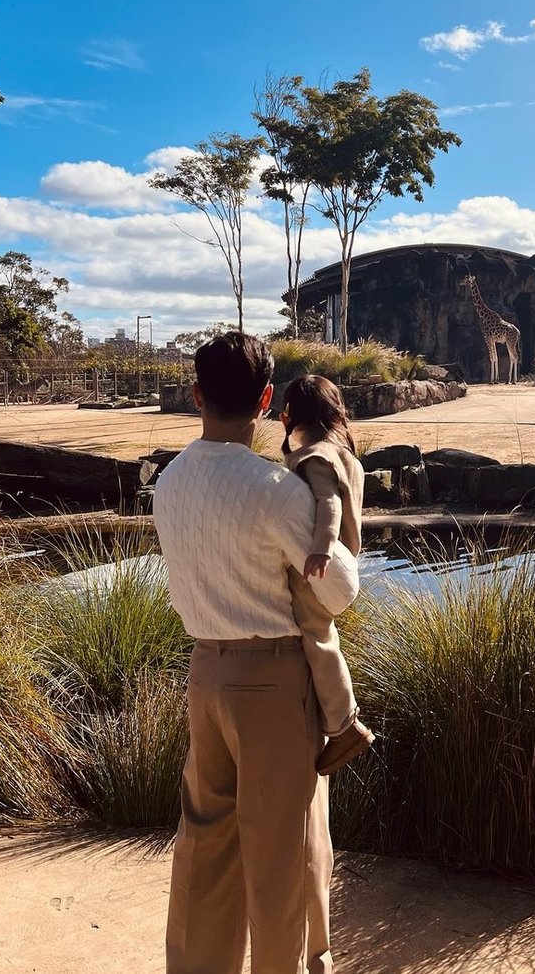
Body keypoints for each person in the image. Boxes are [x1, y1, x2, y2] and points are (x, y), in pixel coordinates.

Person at [155, 332, 355, 974]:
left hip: (205, 672)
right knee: (284, 857)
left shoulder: (171, 481)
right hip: (272, 681)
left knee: (205, 845)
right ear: (267, 400)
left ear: (196, 395)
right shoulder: (274, 489)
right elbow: (341, 591)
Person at [281, 374, 374, 775]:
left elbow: (328, 505)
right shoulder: (345, 455)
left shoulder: (315, 456)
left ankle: (344, 725)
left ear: (290, 416)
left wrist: (319, 548)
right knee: (320, 634)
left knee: (317, 636)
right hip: (343, 563)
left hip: (322, 566)